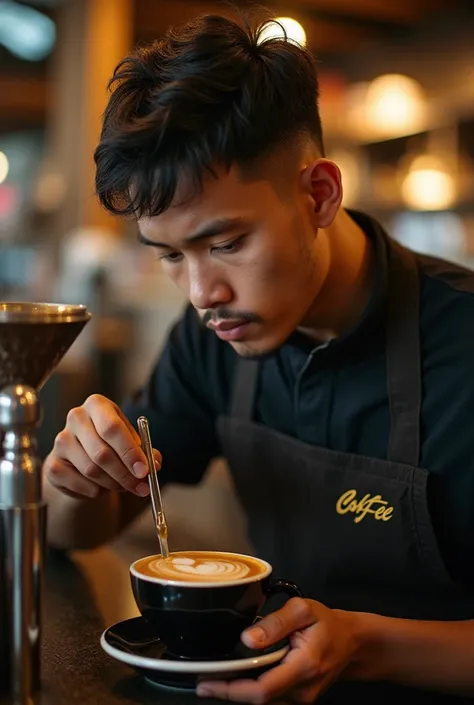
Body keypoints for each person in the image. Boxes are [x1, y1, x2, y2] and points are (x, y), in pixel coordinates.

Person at [43, 13, 474, 704]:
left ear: (319, 194)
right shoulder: (210, 337)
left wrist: (362, 643)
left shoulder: (462, 347)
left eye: (226, 242)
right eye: (170, 256)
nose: (202, 292)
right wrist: (72, 481)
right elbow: (80, 530)